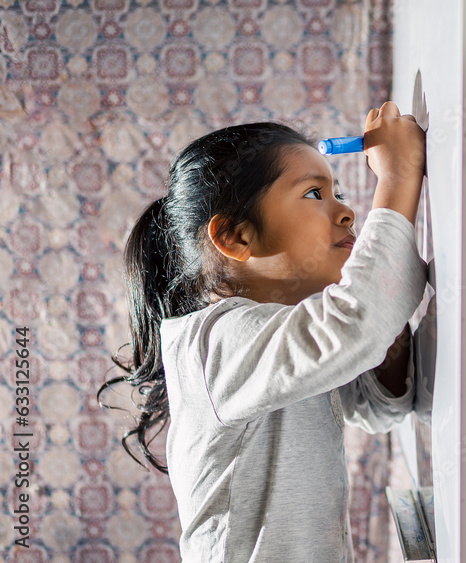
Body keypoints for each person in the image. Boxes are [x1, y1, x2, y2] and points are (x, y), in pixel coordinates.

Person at [98, 101, 428, 562]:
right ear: (235, 237)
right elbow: (358, 325)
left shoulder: (275, 331)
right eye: (315, 194)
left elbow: (375, 407)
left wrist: (385, 329)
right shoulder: (213, 344)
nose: (347, 212)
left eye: (338, 193)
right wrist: (397, 179)